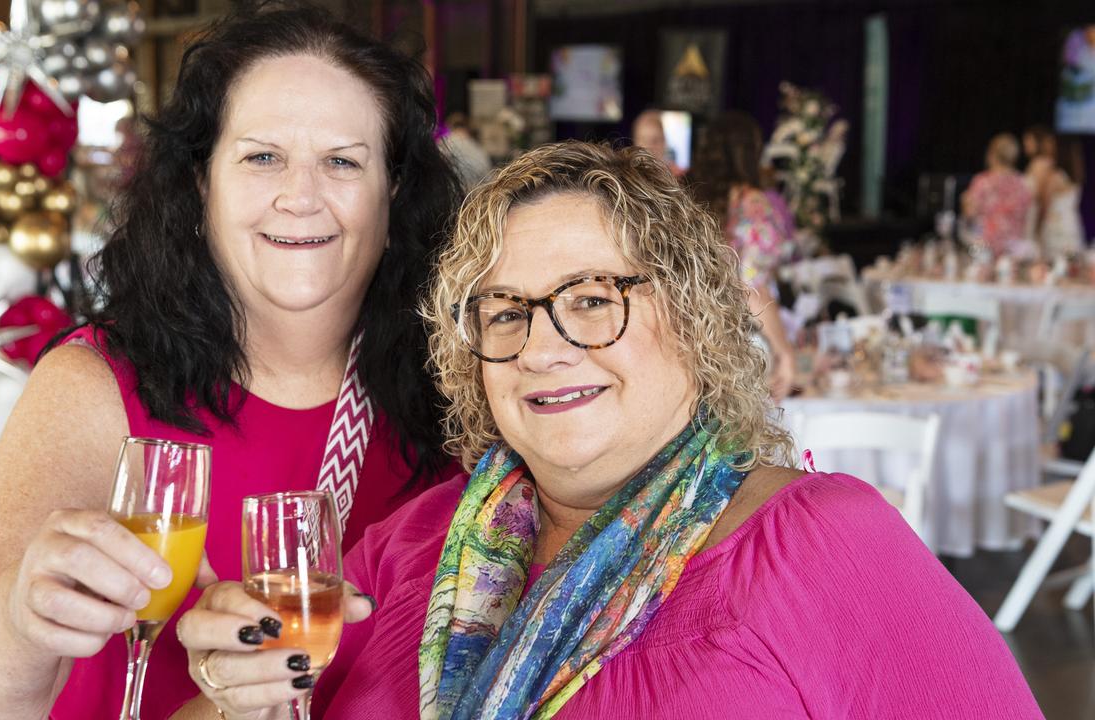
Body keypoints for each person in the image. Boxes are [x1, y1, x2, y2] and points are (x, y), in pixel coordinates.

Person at [173, 141, 1043, 718]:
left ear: (694, 320)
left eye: (592, 300)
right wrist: (224, 688)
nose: (544, 347)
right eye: (505, 311)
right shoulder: (415, 543)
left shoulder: (822, 546)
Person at [0, 4, 463, 719]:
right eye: (261, 157)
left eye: (342, 161)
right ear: (200, 183)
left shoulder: (461, 390)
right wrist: (17, 619)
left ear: (394, 191)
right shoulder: (100, 386)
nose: (300, 196)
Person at [691, 110, 796, 400]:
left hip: (690, 339)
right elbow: (751, 287)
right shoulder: (754, 206)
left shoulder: (687, 199)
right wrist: (784, 351)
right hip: (738, 343)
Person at [960, 133, 1032, 257]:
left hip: (983, 249)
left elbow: (970, 214)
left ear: (991, 155)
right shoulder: (1023, 183)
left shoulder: (982, 181)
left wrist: (964, 202)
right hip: (1013, 250)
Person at [1023, 125, 1087, 257]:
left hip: (1055, 228)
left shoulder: (1056, 177)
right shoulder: (1074, 176)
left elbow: (1044, 204)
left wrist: (1037, 229)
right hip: (1071, 225)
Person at [439, 112, 492, 193]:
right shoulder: (479, 149)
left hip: (452, 195)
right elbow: (489, 179)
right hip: (476, 197)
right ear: (467, 128)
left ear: (450, 127)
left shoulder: (444, 144)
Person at [631, 108, 685, 177]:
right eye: (644, 140)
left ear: (664, 142)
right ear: (635, 141)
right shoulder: (626, 177)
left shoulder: (679, 176)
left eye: (655, 140)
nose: (649, 146)